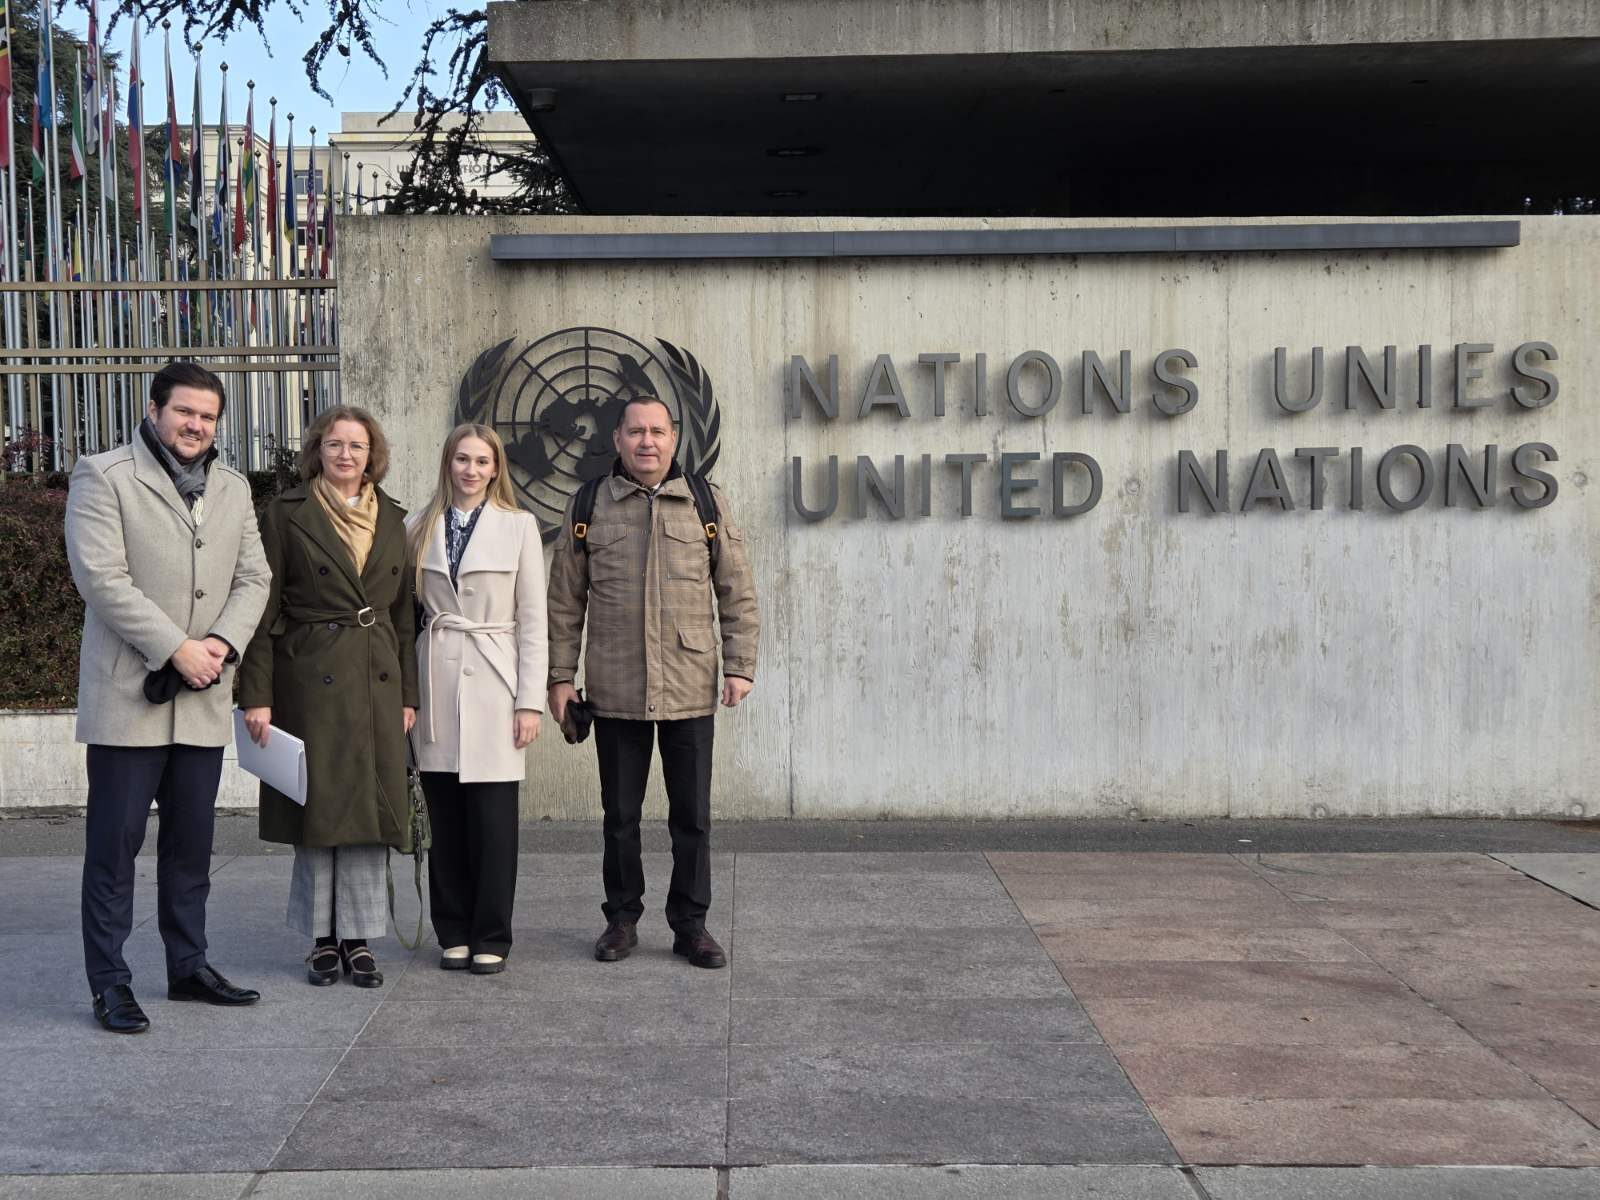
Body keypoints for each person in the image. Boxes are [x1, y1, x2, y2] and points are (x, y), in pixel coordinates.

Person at [65, 361, 272, 1034]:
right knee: (114, 851)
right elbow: (102, 579)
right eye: (185, 411)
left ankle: (188, 966)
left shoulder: (233, 486)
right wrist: (176, 647)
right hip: (130, 698)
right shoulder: (104, 475)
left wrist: (220, 644)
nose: (196, 425)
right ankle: (110, 982)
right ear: (154, 410)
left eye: (208, 417)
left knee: (191, 849)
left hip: (203, 698)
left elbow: (254, 577)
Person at [546, 394, 760, 969]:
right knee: (620, 818)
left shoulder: (705, 502)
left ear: (674, 437)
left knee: (692, 818)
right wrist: (560, 677)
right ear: (617, 439)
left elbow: (737, 591)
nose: (647, 441)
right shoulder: (589, 503)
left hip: (689, 683)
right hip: (615, 686)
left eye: (657, 431)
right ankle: (621, 919)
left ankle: (691, 926)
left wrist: (739, 665)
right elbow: (564, 600)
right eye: (636, 431)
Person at [237, 406, 418, 988]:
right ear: (318, 450)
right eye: (335, 444)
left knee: (368, 809)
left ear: (372, 456)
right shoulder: (286, 513)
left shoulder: (393, 518)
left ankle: (358, 939)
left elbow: (404, 617)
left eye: (357, 446)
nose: (346, 455)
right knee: (317, 808)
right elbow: (262, 610)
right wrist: (257, 694)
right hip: (308, 675)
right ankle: (321, 939)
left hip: (376, 677)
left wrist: (408, 695)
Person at [407, 424, 547, 974]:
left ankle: (491, 933)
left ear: (495, 469)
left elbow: (533, 620)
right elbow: (407, 615)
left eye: (482, 461)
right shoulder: (417, 525)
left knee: (493, 821)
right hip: (436, 679)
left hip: (495, 680)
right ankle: (453, 930)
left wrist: (529, 701)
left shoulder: (518, 526)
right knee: (442, 816)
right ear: (448, 463)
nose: (471, 470)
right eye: (462, 459)